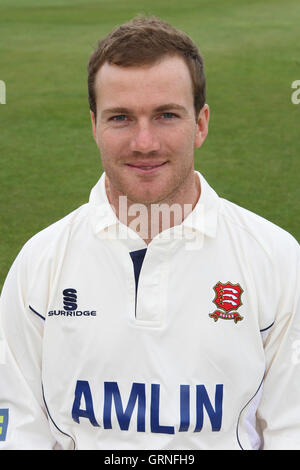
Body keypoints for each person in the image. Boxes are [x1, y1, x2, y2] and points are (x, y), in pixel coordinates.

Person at [0, 15, 299, 451]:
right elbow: (18, 427)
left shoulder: (277, 259)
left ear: (200, 124)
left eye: (165, 115)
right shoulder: (40, 262)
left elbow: (292, 428)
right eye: (120, 117)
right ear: (94, 126)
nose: (144, 142)